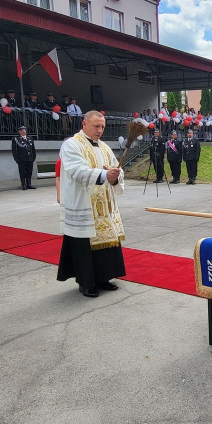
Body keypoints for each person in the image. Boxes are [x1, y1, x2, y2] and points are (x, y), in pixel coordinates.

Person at [56, 110, 126, 298]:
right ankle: (86, 282)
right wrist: (104, 175)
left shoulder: (104, 147)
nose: (100, 130)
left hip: (104, 206)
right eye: (96, 126)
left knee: (106, 241)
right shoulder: (71, 145)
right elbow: (77, 171)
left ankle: (104, 277)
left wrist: (115, 177)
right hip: (83, 204)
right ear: (84, 123)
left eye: (102, 126)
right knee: (83, 246)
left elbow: (117, 169)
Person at [11, 126, 37, 190]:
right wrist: (17, 159)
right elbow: (14, 150)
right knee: (22, 172)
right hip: (21, 159)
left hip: (30, 158)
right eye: (22, 130)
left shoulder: (30, 138)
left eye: (24, 130)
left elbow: (33, 149)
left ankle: (29, 184)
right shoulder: (16, 139)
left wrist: (33, 157)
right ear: (19, 132)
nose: (24, 131)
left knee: (29, 171)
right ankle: (23, 184)